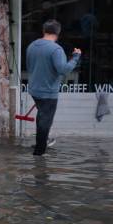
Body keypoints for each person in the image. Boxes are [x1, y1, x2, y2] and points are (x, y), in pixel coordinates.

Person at [26, 19, 81, 156]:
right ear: (58, 33)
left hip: (34, 89)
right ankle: (39, 152)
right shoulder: (56, 49)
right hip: (48, 92)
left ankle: (41, 142)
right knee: (45, 121)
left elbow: (29, 66)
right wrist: (75, 57)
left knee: (42, 117)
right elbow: (63, 70)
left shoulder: (32, 46)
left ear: (43, 31)